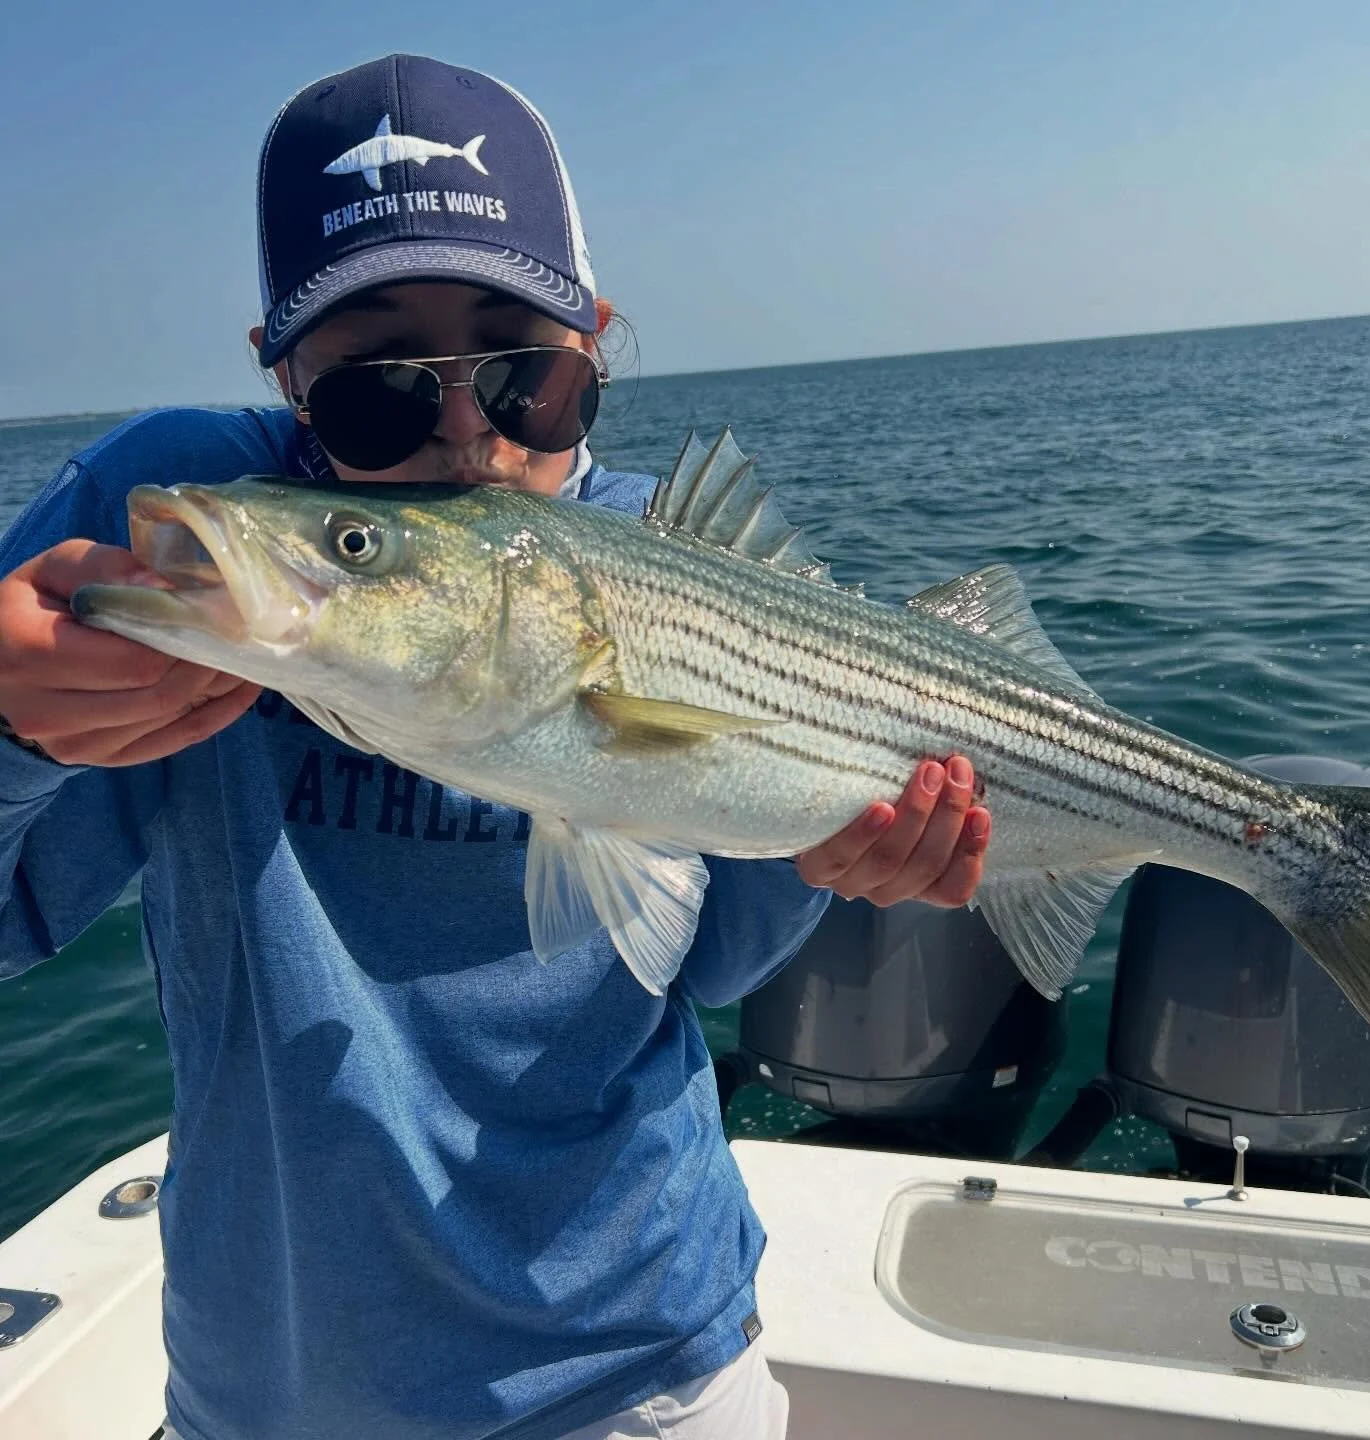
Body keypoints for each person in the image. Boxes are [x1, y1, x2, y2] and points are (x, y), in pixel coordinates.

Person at [0, 54, 990, 1440]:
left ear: (593, 340)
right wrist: (10, 728)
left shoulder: (672, 563)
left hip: (641, 1375)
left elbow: (703, 959)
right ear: (284, 376)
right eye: (378, 395)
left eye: (525, 376)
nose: (466, 436)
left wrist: (837, 859)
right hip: (264, 1393)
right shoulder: (192, 539)